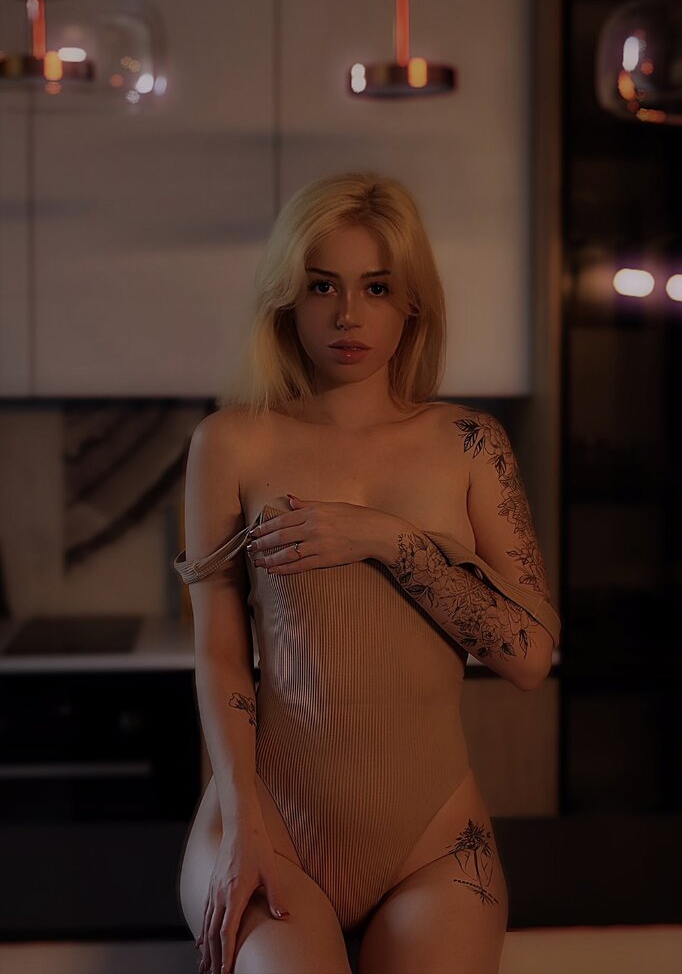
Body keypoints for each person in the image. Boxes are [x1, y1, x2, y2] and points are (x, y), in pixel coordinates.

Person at [173, 171, 561, 974]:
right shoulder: (230, 443)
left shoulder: (470, 445)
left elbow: (529, 657)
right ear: (289, 297)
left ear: (411, 301)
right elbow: (219, 652)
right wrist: (243, 822)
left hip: (433, 844)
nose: (348, 314)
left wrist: (392, 541)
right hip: (265, 819)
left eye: (376, 287)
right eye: (323, 286)